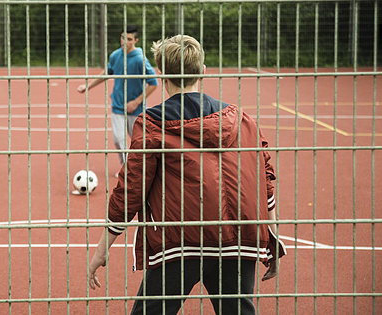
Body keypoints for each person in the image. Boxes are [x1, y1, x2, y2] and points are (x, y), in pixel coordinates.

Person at [87, 34, 286, 315]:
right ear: (203, 71)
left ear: (161, 73)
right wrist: (272, 236)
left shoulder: (152, 123)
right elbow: (265, 181)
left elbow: (131, 187)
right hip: (237, 239)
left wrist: (102, 247)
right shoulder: (242, 120)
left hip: (179, 242)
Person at [77, 25, 158, 167]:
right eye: (122, 37)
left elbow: (153, 83)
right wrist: (88, 86)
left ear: (136, 40)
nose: (124, 41)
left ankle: (143, 168)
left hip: (136, 109)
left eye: (129, 39)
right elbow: (107, 73)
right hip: (118, 106)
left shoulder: (140, 59)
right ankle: (126, 168)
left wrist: (136, 101)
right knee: (118, 139)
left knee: (138, 141)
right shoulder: (115, 55)